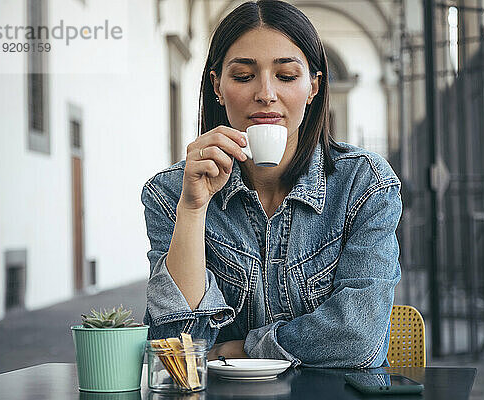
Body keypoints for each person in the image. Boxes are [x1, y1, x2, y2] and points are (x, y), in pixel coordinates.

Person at [141, 0, 402, 368]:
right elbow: (177, 352)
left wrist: (244, 349)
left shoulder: (363, 184)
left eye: (286, 75)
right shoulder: (170, 194)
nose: (265, 93)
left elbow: (358, 336)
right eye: (244, 76)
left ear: (314, 86)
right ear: (217, 86)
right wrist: (193, 209)